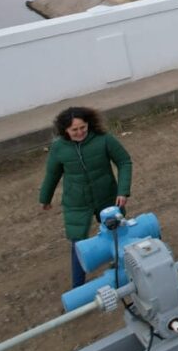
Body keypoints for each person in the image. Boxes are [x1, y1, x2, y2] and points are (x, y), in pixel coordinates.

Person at [39, 106, 133, 288]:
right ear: (65, 130)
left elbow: (124, 161)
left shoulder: (103, 140)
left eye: (83, 127)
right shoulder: (59, 148)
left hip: (107, 196)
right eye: (74, 129)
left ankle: (123, 269)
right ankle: (78, 287)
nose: (80, 132)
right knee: (78, 244)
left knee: (117, 234)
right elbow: (52, 174)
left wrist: (122, 191)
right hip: (76, 202)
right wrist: (45, 198)